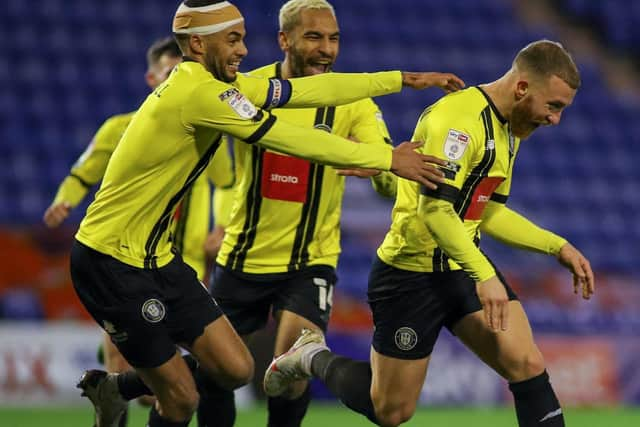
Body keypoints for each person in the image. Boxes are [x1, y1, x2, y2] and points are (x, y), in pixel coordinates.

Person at [71, 1, 465, 426]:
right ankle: (116, 390)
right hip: (112, 259)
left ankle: (114, 387)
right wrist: (389, 159)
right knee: (182, 399)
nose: (243, 49)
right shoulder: (202, 93)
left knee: (236, 368)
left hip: (160, 257)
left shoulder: (218, 84)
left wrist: (403, 80)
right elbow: (290, 138)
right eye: (233, 39)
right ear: (199, 44)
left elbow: (306, 92)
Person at [264, 40, 596, 427]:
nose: (555, 119)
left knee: (526, 362)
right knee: (391, 411)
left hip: (462, 267)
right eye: (553, 106)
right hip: (411, 274)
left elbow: (487, 211)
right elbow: (435, 210)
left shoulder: (509, 130)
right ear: (522, 88)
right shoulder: (457, 123)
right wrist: (484, 274)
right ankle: (309, 356)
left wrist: (557, 246)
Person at [200, 1, 419, 426]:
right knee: (216, 374)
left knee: (291, 371)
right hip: (241, 255)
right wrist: (219, 220)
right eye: (314, 37)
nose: (326, 49)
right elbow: (217, 166)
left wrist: (383, 170)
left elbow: (387, 172)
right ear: (284, 39)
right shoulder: (248, 87)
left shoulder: (353, 99)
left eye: (333, 38)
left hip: (309, 262)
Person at [43, 36, 232, 427]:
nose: (177, 79)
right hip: (125, 265)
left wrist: (222, 224)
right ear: (151, 78)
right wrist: (65, 199)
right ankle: (113, 397)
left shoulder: (206, 126)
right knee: (137, 379)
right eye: (169, 72)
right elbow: (83, 172)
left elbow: (226, 183)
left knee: (212, 370)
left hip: (183, 267)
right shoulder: (120, 129)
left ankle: (119, 388)